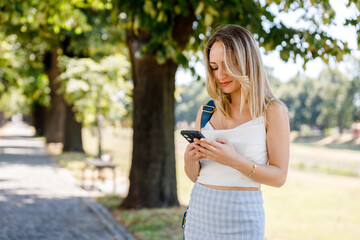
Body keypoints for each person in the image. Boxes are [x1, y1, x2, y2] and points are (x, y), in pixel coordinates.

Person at [183, 25, 290, 240]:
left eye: (227, 65)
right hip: (199, 216)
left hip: (243, 220)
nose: (220, 75)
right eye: (213, 67)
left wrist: (233, 160)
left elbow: (279, 177)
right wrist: (189, 159)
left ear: (246, 62)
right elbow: (196, 176)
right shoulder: (206, 111)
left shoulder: (272, 111)